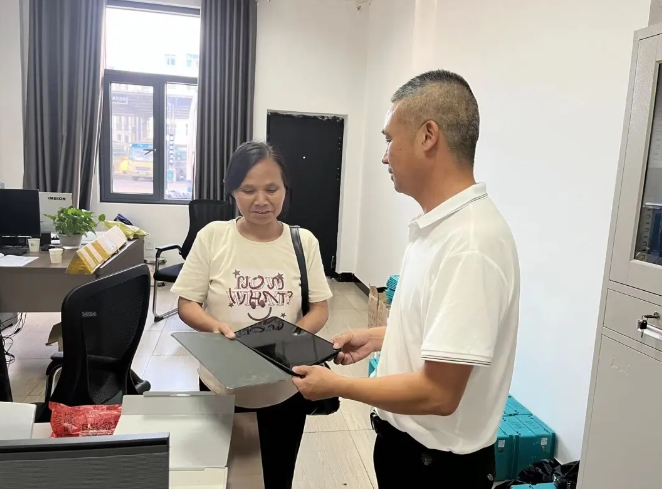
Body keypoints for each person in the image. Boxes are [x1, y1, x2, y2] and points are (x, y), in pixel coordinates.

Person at [292, 69, 520, 488]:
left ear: (428, 136)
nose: (384, 157)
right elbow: (437, 333)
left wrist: (338, 386)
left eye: (389, 139)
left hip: (435, 469)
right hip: (408, 451)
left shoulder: (470, 243)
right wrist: (378, 337)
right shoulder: (438, 228)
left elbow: (439, 394)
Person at [171, 141, 333, 489]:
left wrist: (289, 340)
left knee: (277, 478)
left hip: (284, 390)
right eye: (248, 190)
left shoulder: (303, 242)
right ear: (232, 191)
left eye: (272, 189)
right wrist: (214, 326)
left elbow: (320, 308)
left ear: (286, 189)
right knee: (223, 479)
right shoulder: (213, 237)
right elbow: (187, 304)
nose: (261, 200)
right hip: (220, 389)